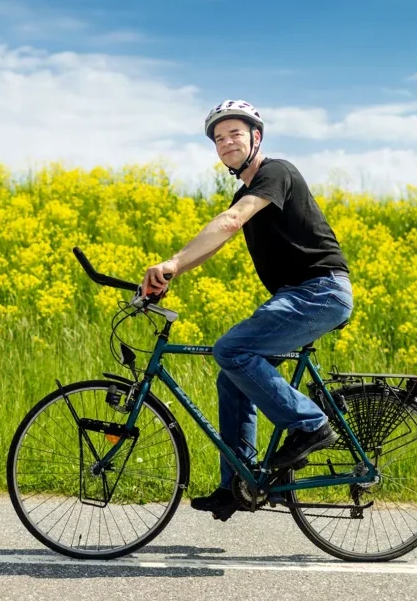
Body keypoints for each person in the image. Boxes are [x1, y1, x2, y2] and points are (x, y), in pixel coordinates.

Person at [141, 99, 353, 520]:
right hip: (297, 296)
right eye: (219, 138)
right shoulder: (248, 191)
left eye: (234, 133)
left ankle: (310, 424)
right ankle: (239, 484)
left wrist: (172, 262)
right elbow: (218, 240)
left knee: (232, 350)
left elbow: (230, 221)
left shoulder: (277, 173)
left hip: (320, 292)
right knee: (233, 376)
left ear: (256, 137)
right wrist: (172, 275)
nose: (226, 142)